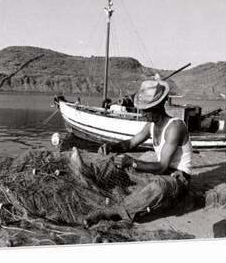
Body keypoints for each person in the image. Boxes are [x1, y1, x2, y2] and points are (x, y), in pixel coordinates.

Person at [73, 77, 193, 225]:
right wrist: (112, 147)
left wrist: (132, 162)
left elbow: (162, 165)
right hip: (160, 173)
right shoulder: (151, 124)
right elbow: (130, 143)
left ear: (158, 107)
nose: (142, 114)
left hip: (177, 181)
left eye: (146, 110)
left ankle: (113, 212)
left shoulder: (175, 127)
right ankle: (89, 175)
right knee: (116, 162)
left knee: (158, 187)